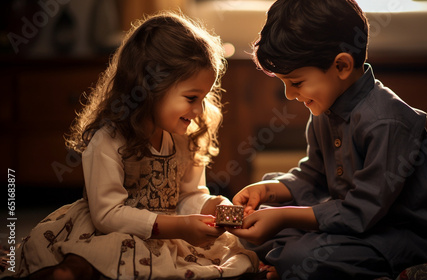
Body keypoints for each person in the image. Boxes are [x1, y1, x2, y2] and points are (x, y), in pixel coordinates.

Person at [1, 11, 258, 280]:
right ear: (149, 87)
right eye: (192, 97)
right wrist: (176, 226)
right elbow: (107, 215)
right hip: (113, 230)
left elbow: (188, 196)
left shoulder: (185, 136)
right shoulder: (109, 139)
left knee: (234, 256)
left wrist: (211, 207)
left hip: (167, 231)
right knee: (99, 254)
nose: (199, 110)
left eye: (203, 97)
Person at [227, 0, 427, 279]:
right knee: (257, 224)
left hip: (395, 234)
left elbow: (361, 211)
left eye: (296, 83)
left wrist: (284, 217)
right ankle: (291, 258)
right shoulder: (326, 107)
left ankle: (293, 259)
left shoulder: (389, 122)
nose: (289, 95)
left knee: (303, 255)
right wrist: (268, 191)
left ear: (342, 66)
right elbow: (313, 176)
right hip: (346, 223)